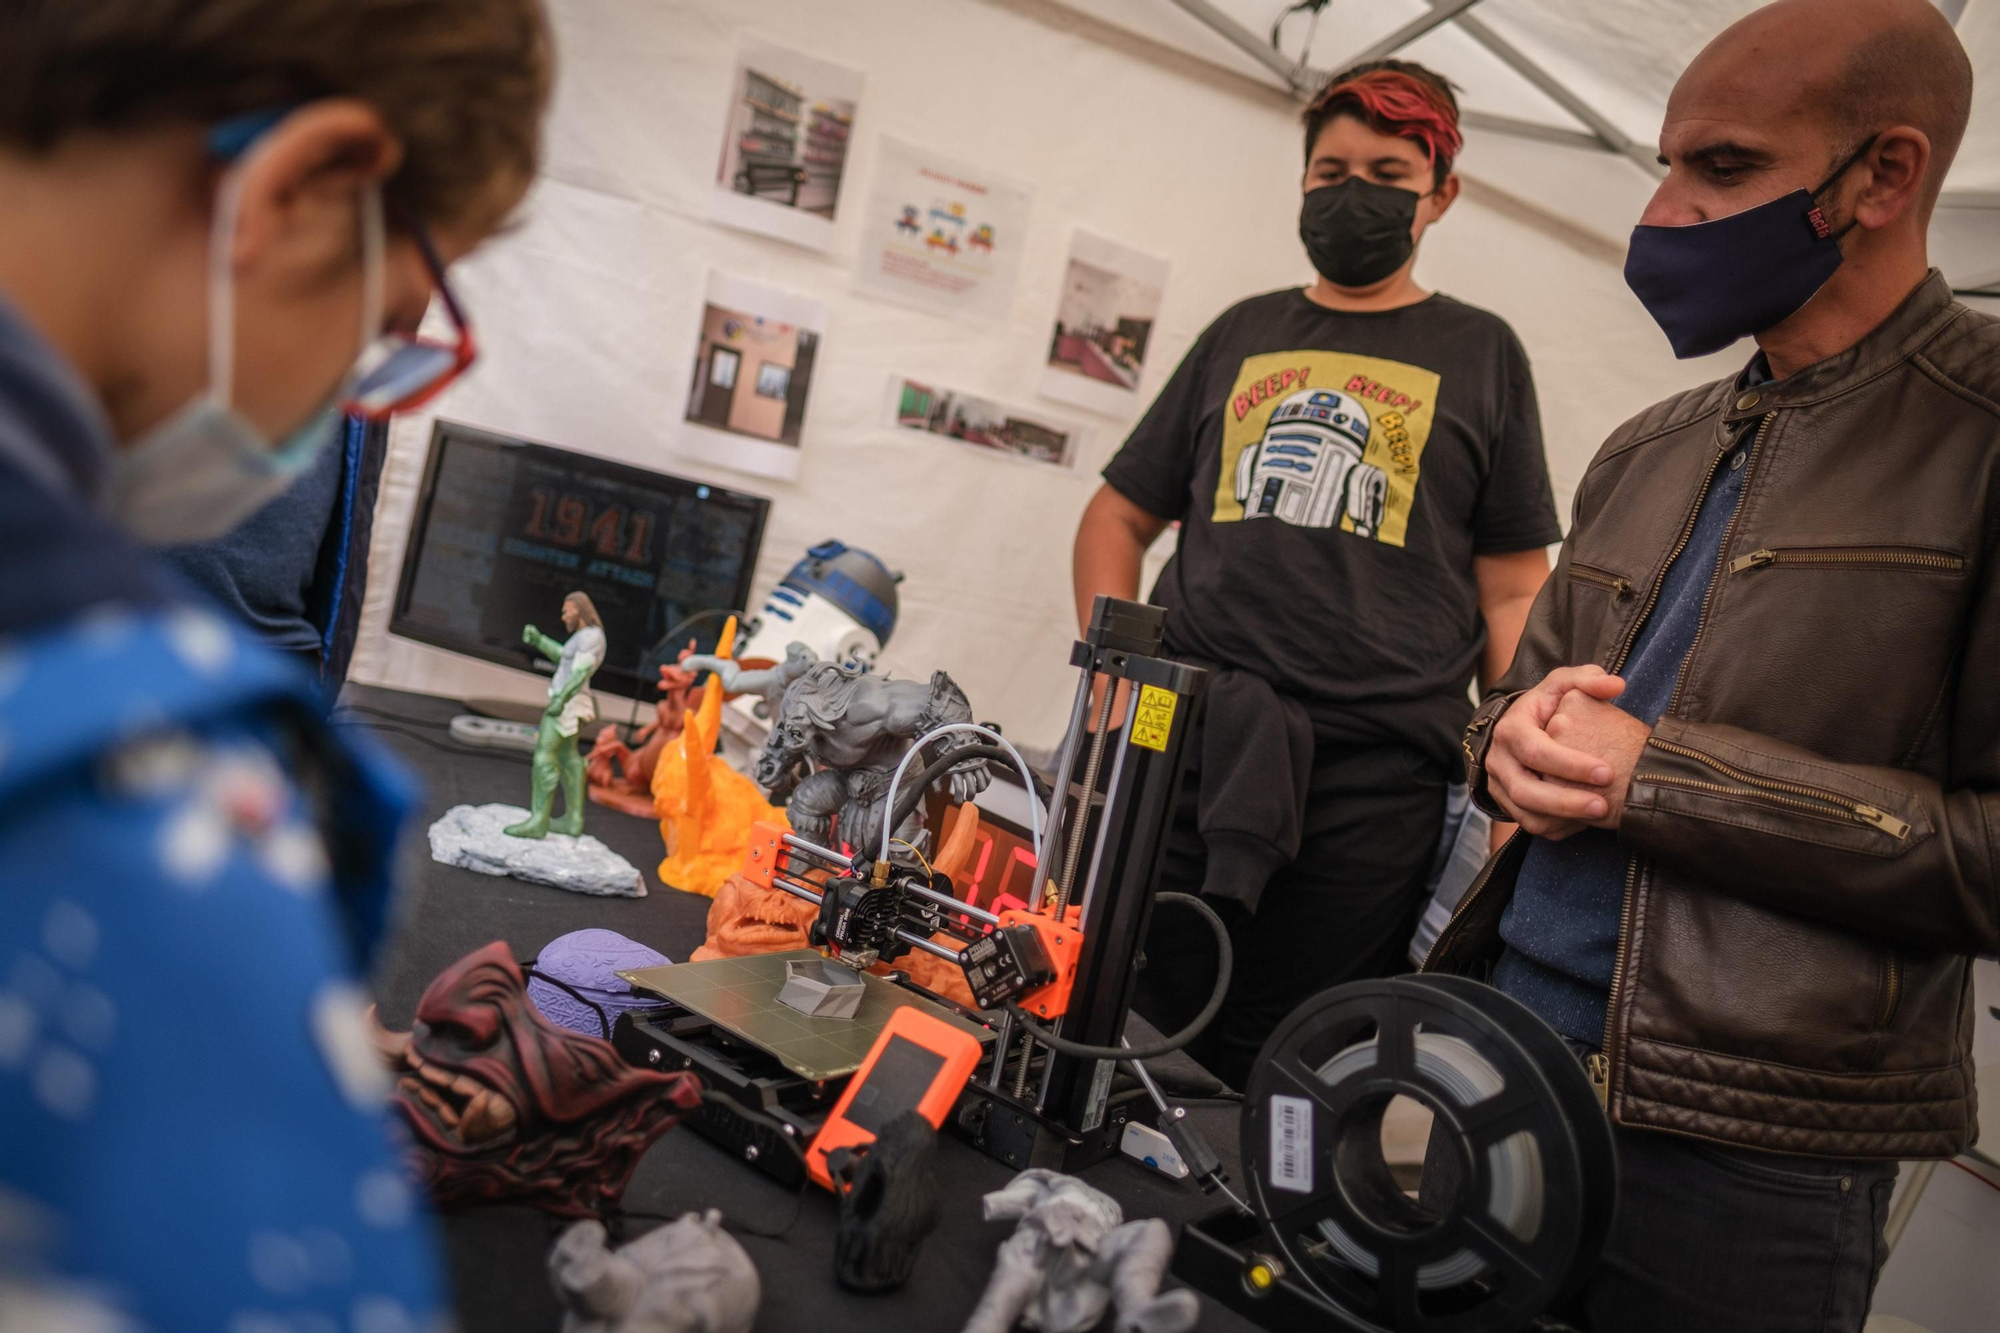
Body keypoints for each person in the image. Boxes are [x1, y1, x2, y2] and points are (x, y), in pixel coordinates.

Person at [1432, 2, 1992, 1327]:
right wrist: (1499, 744)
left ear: (1886, 173)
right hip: (1507, 1053)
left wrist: (1671, 782)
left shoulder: (1982, 439)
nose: (1669, 212)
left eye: (1724, 168)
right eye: (1670, 164)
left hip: (1755, 1145)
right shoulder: (1651, 441)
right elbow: (1523, 703)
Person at [0, 2, 550, 1326]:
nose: (345, 394)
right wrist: (229, 995)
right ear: (302, 190)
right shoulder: (126, 812)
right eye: (386, 326)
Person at [1077, 60, 1561, 1089]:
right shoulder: (1241, 331)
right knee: (1116, 1016)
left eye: (1386, 169)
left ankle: (1225, 1238)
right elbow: (1118, 513)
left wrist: (1508, 748)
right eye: (1329, 168)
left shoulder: (1481, 352)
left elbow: (1514, 586)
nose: (1352, 192)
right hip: (1186, 742)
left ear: (1439, 192)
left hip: (1374, 776)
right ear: (1300, 182)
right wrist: (1114, 674)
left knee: (1293, 1061)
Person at [507, 592, 607, 839]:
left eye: (567, 611)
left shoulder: (592, 636)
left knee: (545, 754)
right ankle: (573, 820)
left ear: (580, 611)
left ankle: (539, 820)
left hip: (569, 703)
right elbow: (565, 659)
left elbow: (581, 671)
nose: (563, 616)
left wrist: (561, 699)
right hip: (571, 701)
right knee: (568, 756)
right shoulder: (584, 637)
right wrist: (540, 641)